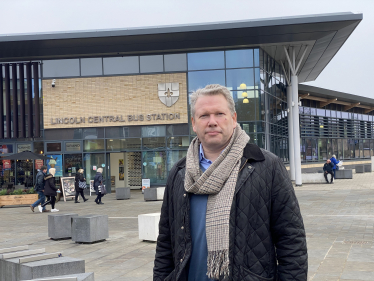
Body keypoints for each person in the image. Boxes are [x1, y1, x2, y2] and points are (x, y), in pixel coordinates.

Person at [153, 84, 307, 281]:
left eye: (219, 114)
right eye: (204, 116)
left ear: (233, 119)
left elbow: (291, 240)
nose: (212, 122)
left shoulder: (266, 166)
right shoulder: (180, 173)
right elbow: (165, 243)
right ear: (193, 123)